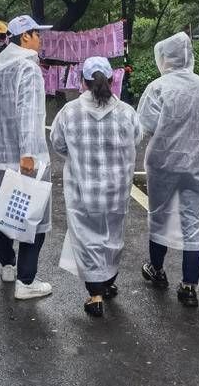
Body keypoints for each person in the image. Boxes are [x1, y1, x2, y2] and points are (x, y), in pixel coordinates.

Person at [51, 57, 141, 318]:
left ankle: (95, 294)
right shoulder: (126, 111)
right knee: (112, 237)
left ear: (83, 82)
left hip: (82, 190)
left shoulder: (69, 111)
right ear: (112, 80)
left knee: (86, 239)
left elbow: (58, 143)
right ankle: (108, 281)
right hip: (116, 191)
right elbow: (137, 138)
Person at [136, 32, 199, 308]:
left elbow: (145, 125)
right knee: (193, 223)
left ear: (164, 59)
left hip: (164, 161)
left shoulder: (158, 87)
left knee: (159, 215)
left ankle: (157, 269)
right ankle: (189, 286)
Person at [0, 14, 53, 300]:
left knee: (4, 212)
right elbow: (30, 115)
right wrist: (29, 154)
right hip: (23, 159)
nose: (41, 39)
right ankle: (26, 280)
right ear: (25, 37)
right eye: (37, 34)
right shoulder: (28, 69)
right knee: (33, 216)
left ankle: (8, 266)